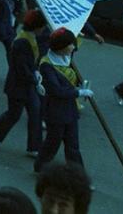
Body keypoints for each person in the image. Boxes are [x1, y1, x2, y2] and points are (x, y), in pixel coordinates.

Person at [0, 9, 46, 157]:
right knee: (15, 114)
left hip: (25, 83)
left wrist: (36, 73)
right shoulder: (22, 42)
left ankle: (34, 147)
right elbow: (22, 67)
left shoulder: (28, 38)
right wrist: (35, 79)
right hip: (18, 85)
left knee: (35, 113)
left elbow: (30, 64)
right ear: (36, 26)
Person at [34, 28, 93, 173]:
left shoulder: (67, 59)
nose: (74, 47)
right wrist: (79, 92)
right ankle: (40, 166)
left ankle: (78, 174)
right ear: (61, 47)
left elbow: (73, 78)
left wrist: (81, 85)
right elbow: (57, 90)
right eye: (71, 44)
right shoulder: (46, 65)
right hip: (55, 110)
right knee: (53, 143)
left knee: (73, 145)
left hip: (70, 109)